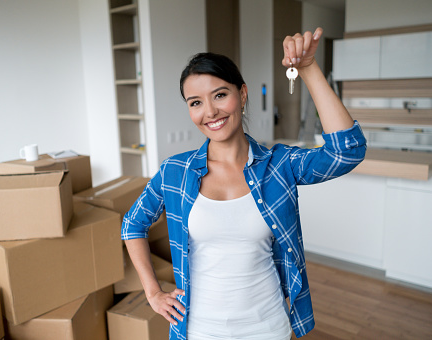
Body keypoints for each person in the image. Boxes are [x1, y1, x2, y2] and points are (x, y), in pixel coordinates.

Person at [121, 27, 367, 340]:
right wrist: (153, 292)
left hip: (267, 327)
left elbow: (347, 151)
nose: (209, 112)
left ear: (243, 94)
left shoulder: (278, 165)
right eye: (195, 102)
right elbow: (132, 225)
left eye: (220, 95)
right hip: (197, 329)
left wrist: (308, 69)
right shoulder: (175, 172)